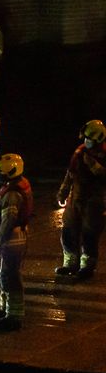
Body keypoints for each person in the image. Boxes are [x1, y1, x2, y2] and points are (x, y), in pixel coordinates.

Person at [0, 154, 32, 330]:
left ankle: (14, 317)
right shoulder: (11, 186)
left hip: (11, 240)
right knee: (2, 275)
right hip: (11, 238)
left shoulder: (12, 194)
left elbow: (8, 221)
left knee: (10, 277)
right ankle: (6, 309)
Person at [55, 120, 106, 279]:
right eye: (85, 138)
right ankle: (70, 263)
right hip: (75, 196)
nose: (86, 141)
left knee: (89, 233)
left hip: (94, 200)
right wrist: (63, 192)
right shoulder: (80, 152)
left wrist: (93, 165)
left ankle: (87, 267)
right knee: (68, 230)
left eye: (89, 139)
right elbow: (70, 173)